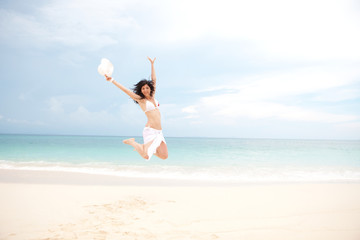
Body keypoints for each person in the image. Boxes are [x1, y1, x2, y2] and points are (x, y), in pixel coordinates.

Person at [105, 57, 168, 160]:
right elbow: (126, 90)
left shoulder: (153, 97)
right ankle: (132, 142)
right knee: (146, 156)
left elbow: (154, 80)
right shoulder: (141, 100)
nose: (145, 89)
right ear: (141, 91)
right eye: (143, 88)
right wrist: (112, 80)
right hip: (151, 131)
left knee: (164, 156)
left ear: (150, 88)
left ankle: (146, 148)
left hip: (159, 132)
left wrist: (152, 64)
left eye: (147, 87)